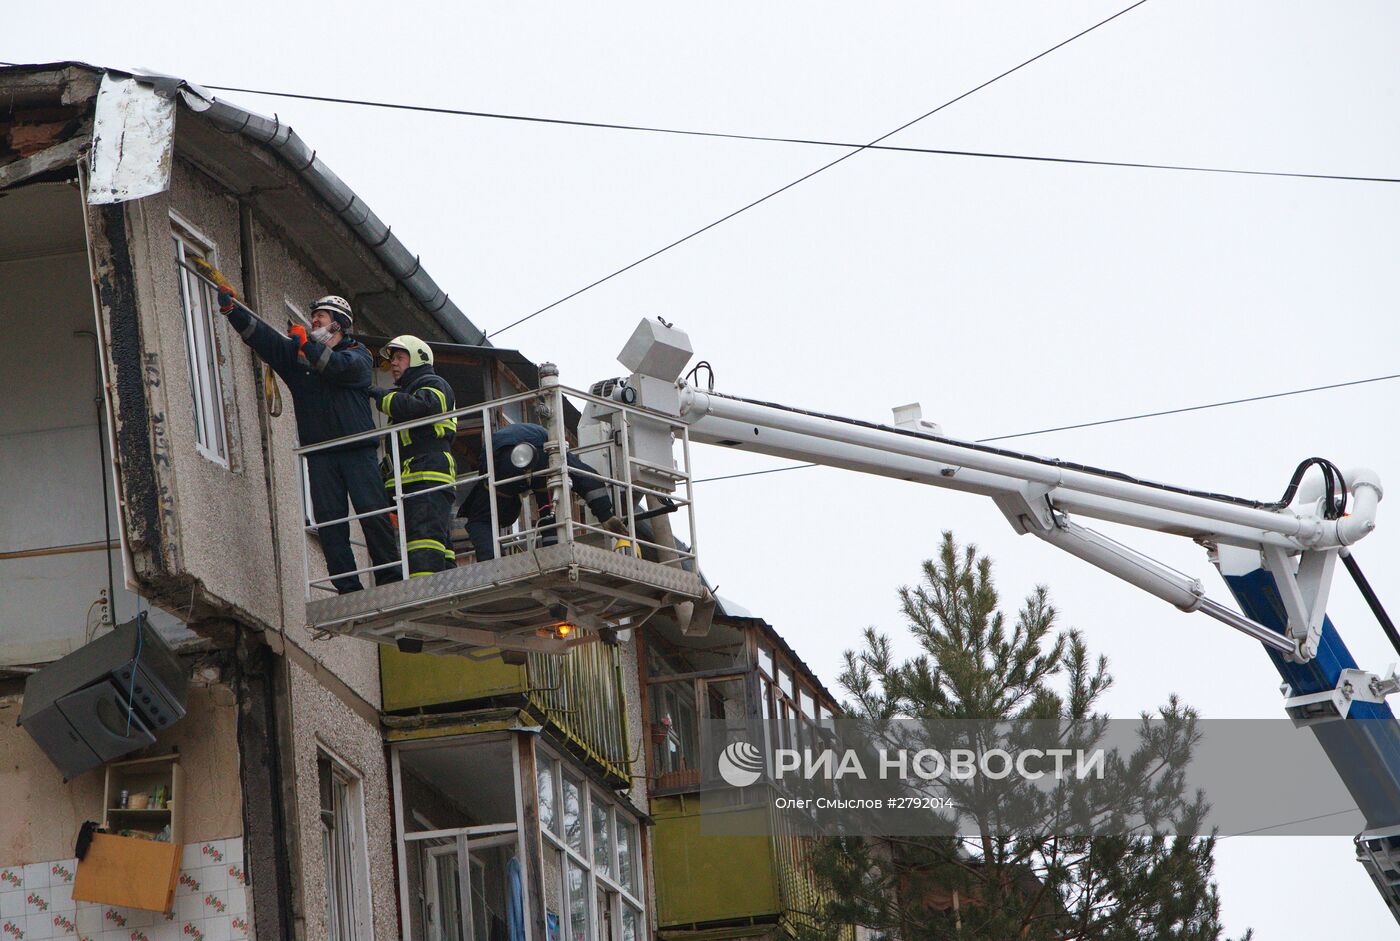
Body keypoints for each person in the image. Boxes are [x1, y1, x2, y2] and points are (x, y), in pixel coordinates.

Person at [217, 289, 400, 594]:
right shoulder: (299, 356)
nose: (313, 321)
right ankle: (348, 588)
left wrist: (304, 343)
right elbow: (264, 339)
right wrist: (233, 310)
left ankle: (390, 580)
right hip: (321, 455)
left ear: (337, 325)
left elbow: (335, 368)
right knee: (329, 523)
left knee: (373, 514)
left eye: (321, 318)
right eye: (313, 318)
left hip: (357, 450)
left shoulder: (358, 357)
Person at [459, 422, 624, 561]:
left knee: (481, 519)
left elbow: (480, 515)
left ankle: (492, 562)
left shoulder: (509, 489)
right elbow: (587, 477)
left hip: (498, 457)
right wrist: (606, 515)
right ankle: (552, 554)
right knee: (549, 510)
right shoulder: (548, 467)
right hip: (541, 452)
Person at [368, 336, 458, 577]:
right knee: (436, 540)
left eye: (399, 358)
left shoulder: (433, 384)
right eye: (392, 359)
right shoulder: (411, 390)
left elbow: (423, 408)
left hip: (427, 474)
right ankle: (445, 580)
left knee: (424, 539)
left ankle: (425, 594)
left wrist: (383, 397)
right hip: (417, 475)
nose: (393, 364)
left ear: (418, 357)